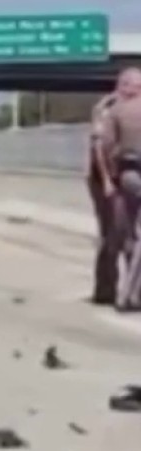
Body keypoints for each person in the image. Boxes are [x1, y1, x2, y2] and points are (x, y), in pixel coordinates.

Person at [89, 68, 141, 304]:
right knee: (113, 234)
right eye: (136, 87)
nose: (139, 91)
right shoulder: (108, 109)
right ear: (123, 85)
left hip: (122, 177)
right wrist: (109, 182)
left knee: (127, 234)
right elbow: (101, 148)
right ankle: (106, 289)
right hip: (103, 179)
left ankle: (130, 290)